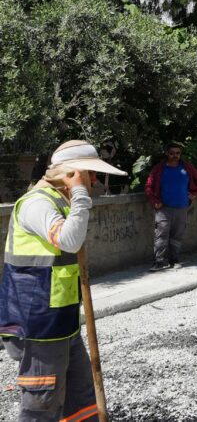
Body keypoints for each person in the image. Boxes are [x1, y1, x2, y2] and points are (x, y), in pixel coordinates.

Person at [0, 140, 127, 422]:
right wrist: (80, 193)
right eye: (89, 174)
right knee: (42, 407)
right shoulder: (36, 204)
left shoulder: (60, 202)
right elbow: (69, 241)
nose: (94, 181)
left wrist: (77, 196)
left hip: (62, 324)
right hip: (37, 327)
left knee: (81, 401)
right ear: (71, 173)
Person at [144, 142, 197, 271]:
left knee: (177, 236)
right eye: (172, 153)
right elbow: (149, 186)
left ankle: (174, 260)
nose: (175, 155)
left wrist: (195, 194)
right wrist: (154, 201)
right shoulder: (159, 169)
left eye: (177, 153)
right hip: (163, 208)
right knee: (161, 235)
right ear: (167, 153)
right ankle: (159, 262)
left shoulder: (186, 167)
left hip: (182, 207)